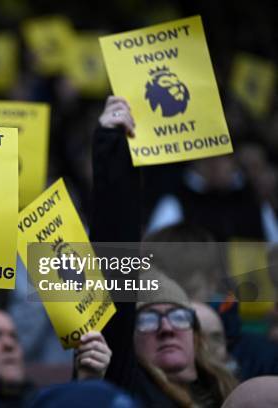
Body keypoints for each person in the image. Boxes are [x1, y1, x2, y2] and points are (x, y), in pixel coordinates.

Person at [91, 96, 238, 407]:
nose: (167, 328)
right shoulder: (129, 389)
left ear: (197, 336)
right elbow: (117, 258)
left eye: (179, 316)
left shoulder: (230, 394)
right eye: (147, 320)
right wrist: (112, 147)